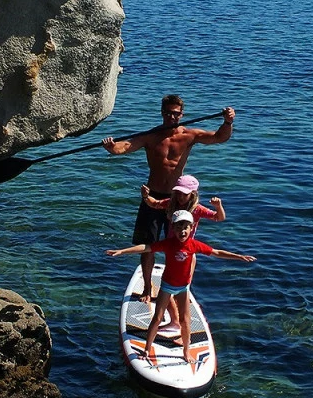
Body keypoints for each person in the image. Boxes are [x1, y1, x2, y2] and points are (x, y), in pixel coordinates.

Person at [102, 95, 235, 303]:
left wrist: (227, 122)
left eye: (176, 113)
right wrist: (112, 148)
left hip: (178, 199)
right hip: (153, 198)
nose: (172, 117)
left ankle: (182, 288)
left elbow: (219, 137)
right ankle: (147, 288)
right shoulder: (151, 136)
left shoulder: (189, 135)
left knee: (184, 246)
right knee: (149, 245)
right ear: (162, 113)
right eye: (168, 113)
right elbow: (126, 146)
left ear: (182, 114)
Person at [105, 210, 256, 363]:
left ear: (192, 228)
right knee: (157, 318)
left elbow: (216, 252)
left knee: (185, 321)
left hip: (183, 288)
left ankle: (186, 351)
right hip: (167, 286)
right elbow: (146, 248)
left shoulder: (194, 245)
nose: (182, 231)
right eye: (178, 227)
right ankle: (146, 349)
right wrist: (122, 251)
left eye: (185, 227)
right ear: (173, 228)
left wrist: (239, 257)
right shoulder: (168, 244)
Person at [141, 174, 225, 336]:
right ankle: (175, 322)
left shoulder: (197, 209)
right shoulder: (171, 204)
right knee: (167, 290)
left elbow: (218, 218)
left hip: (187, 255)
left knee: (181, 291)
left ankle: (182, 327)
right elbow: (155, 203)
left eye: (184, 194)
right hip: (172, 252)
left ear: (193, 194)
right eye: (178, 193)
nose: (180, 197)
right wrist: (145, 196)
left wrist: (218, 206)